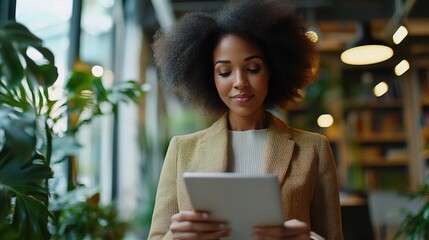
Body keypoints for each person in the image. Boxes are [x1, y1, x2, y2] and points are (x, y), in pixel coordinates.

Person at [148, 0, 343, 239]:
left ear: (272, 71)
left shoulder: (313, 148)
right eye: (225, 72)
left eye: (252, 68)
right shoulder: (182, 150)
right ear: (210, 78)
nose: (239, 82)